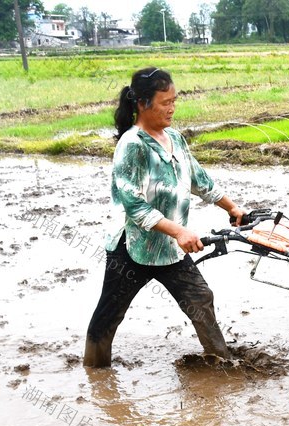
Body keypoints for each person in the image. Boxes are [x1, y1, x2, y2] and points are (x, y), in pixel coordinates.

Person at [83, 67, 246, 368]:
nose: (172, 107)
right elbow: (135, 206)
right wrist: (179, 232)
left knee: (200, 299)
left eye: (174, 100)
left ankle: (221, 363)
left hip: (170, 248)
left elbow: (199, 180)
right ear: (143, 104)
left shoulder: (174, 138)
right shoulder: (131, 146)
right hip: (131, 248)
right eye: (164, 102)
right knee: (110, 314)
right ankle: (95, 370)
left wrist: (231, 208)